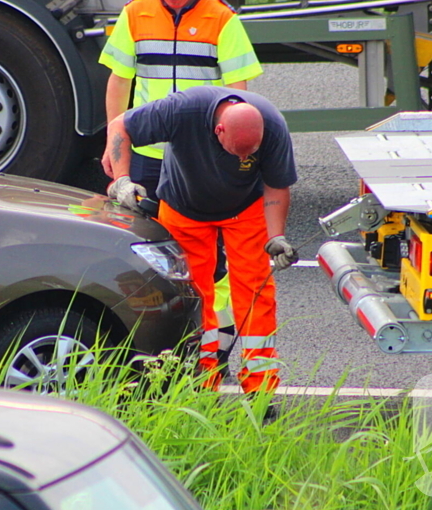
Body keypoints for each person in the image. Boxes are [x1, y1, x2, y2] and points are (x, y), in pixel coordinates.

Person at [99, 0, 263, 364]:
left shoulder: (221, 20)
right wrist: (114, 145)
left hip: (198, 156)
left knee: (208, 255)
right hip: (150, 156)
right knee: (148, 249)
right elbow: (119, 82)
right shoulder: (136, 13)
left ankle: (215, 341)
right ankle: (159, 342)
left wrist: (225, 148)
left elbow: (237, 93)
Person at [103, 85, 298, 393]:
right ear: (218, 130)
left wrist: (276, 237)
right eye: (237, 153)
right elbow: (120, 127)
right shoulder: (182, 110)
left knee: (256, 292)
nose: (244, 160)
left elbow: (276, 186)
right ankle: (201, 384)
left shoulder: (272, 126)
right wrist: (123, 180)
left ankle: (261, 390)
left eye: (250, 155)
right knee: (192, 295)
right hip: (185, 210)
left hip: (245, 210)